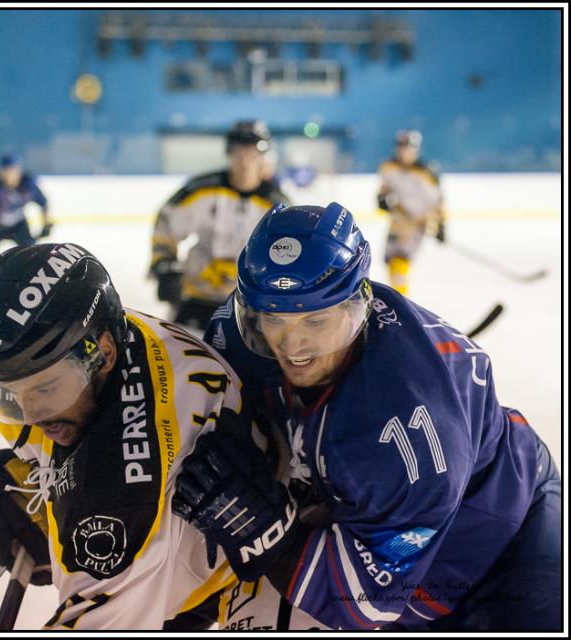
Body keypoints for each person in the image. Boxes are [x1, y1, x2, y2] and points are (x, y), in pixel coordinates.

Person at [172, 202, 561, 631]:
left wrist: (267, 535)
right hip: (381, 517)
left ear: (359, 305)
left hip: (507, 535)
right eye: (275, 320)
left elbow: (366, 603)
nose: (293, 346)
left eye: (316, 322)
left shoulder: (405, 425)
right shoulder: (236, 337)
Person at [0, 242, 250, 629]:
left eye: (45, 390)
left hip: (231, 583)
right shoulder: (93, 338)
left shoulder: (119, 491)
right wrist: (42, 474)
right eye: (7, 393)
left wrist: (64, 495)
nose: (27, 414)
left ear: (104, 353)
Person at [149, 120, 289, 331]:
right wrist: (165, 265)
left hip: (248, 304)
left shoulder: (276, 204)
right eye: (238, 152)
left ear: (264, 156)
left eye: (251, 153)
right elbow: (166, 224)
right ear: (229, 153)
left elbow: (288, 250)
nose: (244, 162)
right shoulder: (201, 189)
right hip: (195, 297)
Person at [0, 153, 53, 298]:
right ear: (1, 172)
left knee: (33, 256)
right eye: (6, 171)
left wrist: (46, 223)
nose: (10, 175)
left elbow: (43, 203)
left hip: (19, 225)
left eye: (13, 170)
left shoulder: (28, 183)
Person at [377, 130, 446, 295]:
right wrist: (381, 197)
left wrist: (441, 224)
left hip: (417, 222)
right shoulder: (389, 166)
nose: (404, 150)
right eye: (401, 146)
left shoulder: (425, 172)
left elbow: (438, 200)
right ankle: (396, 293)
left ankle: (401, 298)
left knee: (402, 258)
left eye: (409, 147)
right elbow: (386, 186)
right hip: (399, 220)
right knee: (389, 259)